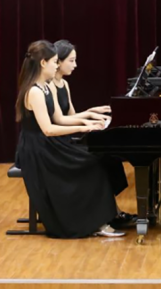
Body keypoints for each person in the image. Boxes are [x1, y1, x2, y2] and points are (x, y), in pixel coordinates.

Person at [14, 40, 126, 238]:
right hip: (38, 150)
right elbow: (48, 129)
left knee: (96, 158)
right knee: (92, 165)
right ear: (43, 63)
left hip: (48, 145)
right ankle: (96, 221)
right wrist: (84, 126)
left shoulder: (45, 87)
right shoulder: (34, 92)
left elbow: (59, 118)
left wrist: (89, 120)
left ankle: (103, 216)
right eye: (54, 62)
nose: (56, 66)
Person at [52, 39, 135, 229]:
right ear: (58, 61)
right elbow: (59, 120)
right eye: (71, 61)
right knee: (96, 162)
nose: (75, 65)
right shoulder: (49, 86)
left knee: (108, 157)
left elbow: (71, 115)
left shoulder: (63, 84)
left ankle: (112, 211)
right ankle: (103, 215)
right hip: (59, 142)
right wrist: (88, 121)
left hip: (67, 137)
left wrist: (91, 112)